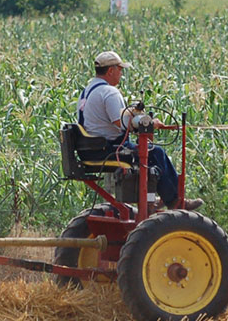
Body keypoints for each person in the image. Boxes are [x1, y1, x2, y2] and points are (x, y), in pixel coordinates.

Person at [77, 50, 202, 211]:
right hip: (107, 149)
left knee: (149, 152)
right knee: (156, 153)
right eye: (120, 69)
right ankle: (174, 200)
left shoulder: (86, 91)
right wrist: (148, 123)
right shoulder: (109, 92)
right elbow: (120, 123)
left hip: (89, 149)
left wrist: (132, 114)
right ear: (110, 70)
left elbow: (110, 119)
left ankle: (154, 199)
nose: (121, 73)